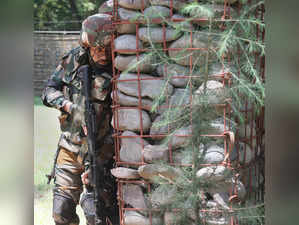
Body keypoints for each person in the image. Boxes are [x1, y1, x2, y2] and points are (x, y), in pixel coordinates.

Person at [41, 13, 118, 225]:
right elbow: (49, 90)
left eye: (108, 49)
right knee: (61, 211)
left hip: (102, 152)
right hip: (70, 147)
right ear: (87, 45)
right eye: (98, 49)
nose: (103, 55)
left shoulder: (121, 68)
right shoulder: (73, 60)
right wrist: (67, 105)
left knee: (97, 214)